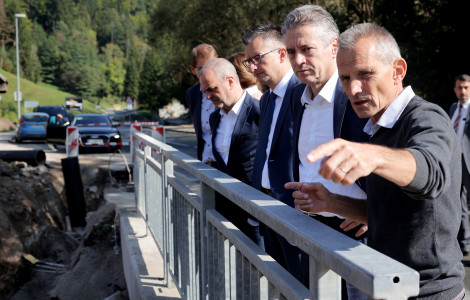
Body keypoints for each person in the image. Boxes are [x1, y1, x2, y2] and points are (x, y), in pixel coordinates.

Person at [288, 22, 465, 299]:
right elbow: (392, 214)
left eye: (366, 74)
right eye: (345, 78)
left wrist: (373, 156)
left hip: (430, 292)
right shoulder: (378, 127)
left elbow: (432, 174)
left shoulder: (426, 117)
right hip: (387, 285)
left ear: (398, 71)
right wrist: (332, 202)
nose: (355, 88)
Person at [281, 5, 370, 298]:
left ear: (334, 47)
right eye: (291, 52)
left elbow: (393, 154)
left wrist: (372, 211)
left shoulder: (360, 93)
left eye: (306, 49)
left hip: (357, 235)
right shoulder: (296, 94)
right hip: (313, 227)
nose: (298, 60)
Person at [241, 23, 305, 284]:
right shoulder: (266, 99)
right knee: (280, 282)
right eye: (248, 62)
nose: (253, 67)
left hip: (296, 212)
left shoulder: (304, 93)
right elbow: (264, 152)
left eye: (257, 59)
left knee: (302, 284)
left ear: (281, 54)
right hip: (268, 208)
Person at [199, 58, 263, 247]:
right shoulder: (214, 118)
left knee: (265, 272)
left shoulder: (259, 111)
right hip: (226, 210)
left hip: (257, 215)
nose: (208, 97)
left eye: (212, 89)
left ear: (230, 81)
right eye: (205, 92)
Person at [186, 43, 218, 165]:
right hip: (204, 163)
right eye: (202, 69)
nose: (208, 72)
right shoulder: (192, 94)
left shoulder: (228, 89)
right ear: (193, 70)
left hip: (226, 168)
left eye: (212, 66)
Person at [449, 74, 470, 256]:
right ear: (455, 89)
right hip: (456, 161)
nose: (463, 91)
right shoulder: (453, 108)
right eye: (460, 88)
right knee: (458, 203)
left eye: (466, 87)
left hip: (469, 161)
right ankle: (463, 245)